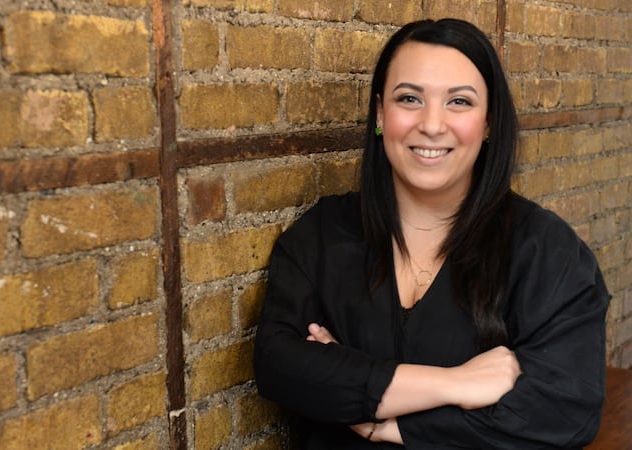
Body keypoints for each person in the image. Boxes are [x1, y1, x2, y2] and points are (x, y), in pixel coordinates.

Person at [253, 18, 610, 449]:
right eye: (409, 99)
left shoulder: (547, 252)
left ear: (489, 122)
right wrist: (453, 384)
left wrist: (386, 424)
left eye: (459, 101)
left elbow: (565, 411)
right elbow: (280, 366)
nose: (433, 124)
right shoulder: (323, 235)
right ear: (381, 113)